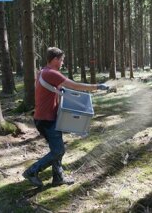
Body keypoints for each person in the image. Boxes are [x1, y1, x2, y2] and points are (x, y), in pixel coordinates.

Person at [23, 47, 114, 188]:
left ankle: (58, 178)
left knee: (56, 149)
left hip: (43, 118)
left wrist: (58, 90)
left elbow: (47, 90)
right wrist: (97, 86)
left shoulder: (43, 72)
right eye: (61, 60)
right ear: (54, 60)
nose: (63, 62)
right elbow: (76, 86)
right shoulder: (52, 73)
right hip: (47, 119)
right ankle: (32, 171)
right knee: (58, 150)